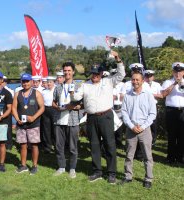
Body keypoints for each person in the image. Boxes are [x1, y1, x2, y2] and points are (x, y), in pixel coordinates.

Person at [70, 50, 125, 183]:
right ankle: (97, 171)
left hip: (106, 116)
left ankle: (111, 172)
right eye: (93, 73)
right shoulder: (85, 84)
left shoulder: (108, 81)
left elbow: (121, 74)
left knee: (109, 144)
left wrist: (117, 58)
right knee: (94, 145)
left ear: (101, 73)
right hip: (91, 118)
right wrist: (71, 91)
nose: (95, 75)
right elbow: (77, 97)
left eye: (97, 73)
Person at [120, 71, 156, 189]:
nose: (135, 82)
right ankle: (128, 176)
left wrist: (143, 126)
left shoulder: (148, 95)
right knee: (129, 155)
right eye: (133, 79)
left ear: (142, 81)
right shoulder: (127, 95)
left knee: (147, 155)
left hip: (144, 129)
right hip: (131, 129)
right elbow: (124, 112)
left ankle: (148, 178)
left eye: (137, 80)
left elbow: (152, 114)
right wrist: (131, 126)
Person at [52, 61, 82, 179]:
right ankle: (61, 167)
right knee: (59, 146)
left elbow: (83, 104)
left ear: (73, 72)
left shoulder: (79, 86)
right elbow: (53, 102)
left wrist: (75, 107)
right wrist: (57, 107)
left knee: (73, 146)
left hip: (73, 120)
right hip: (59, 120)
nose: (67, 73)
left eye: (69, 70)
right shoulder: (58, 87)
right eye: (65, 71)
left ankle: (72, 168)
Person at [12, 73, 45, 175]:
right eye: (23, 81)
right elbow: (13, 108)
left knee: (34, 145)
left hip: (33, 124)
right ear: (21, 82)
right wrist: (17, 119)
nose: (25, 83)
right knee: (23, 145)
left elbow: (42, 107)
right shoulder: (18, 93)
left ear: (31, 82)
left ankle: (34, 166)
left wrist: (33, 117)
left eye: (27, 81)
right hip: (21, 124)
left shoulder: (36, 93)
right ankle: (23, 165)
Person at [161, 62, 184, 164]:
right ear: (173, 72)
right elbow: (163, 94)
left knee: (182, 135)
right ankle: (170, 157)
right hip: (171, 111)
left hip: (183, 111)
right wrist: (175, 83)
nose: (178, 74)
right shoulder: (167, 82)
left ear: (183, 72)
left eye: (180, 72)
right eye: (176, 72)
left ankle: (180, 157)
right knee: (171, 135)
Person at [144, 70, 163, 145]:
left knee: (154, 123)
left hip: (153, 106)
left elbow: (161, 95)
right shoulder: (142, 84)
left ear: (153, 77)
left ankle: (153, 140)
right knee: (145, 122)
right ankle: (145, 139)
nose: (148, 78)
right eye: (147, 76)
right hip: (144, 106)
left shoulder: (157, 85)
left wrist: (151, 95)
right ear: (144, 77)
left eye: (150, 76)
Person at [41, 76, 56, 153]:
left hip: (54, 110)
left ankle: (56, 145)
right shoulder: (44, 91)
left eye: (50, 82)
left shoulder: (56, 90)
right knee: (46, 129)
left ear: (54, 82)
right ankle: (48, 146)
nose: (49, 84)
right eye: (48, 82)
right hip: (45, 110)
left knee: (55, 129)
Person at [3, 75, 14, 150]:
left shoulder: (10, 91)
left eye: (4, 81)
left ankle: (9, 144)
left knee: (8, 128)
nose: (3, 83)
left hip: (8, 110)